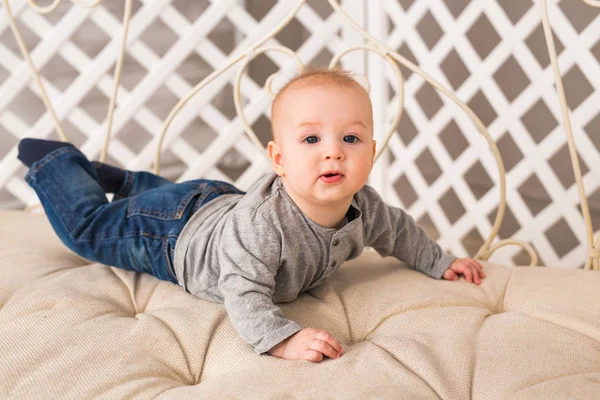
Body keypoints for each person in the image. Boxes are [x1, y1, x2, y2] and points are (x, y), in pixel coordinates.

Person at [17, 67, 485, 363]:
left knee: (163, 199)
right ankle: (58, 164)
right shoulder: (265, 226)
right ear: (278, 159)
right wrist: (282, 339)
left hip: (216, 200)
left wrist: (440, 262)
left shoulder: (366, 207)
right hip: (176, 237)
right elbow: (242, 291)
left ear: (373, 151)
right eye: (311, 140)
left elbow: (399, 232)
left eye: (350, 139)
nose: (333, 155)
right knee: (90, 230)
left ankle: (125, 181)